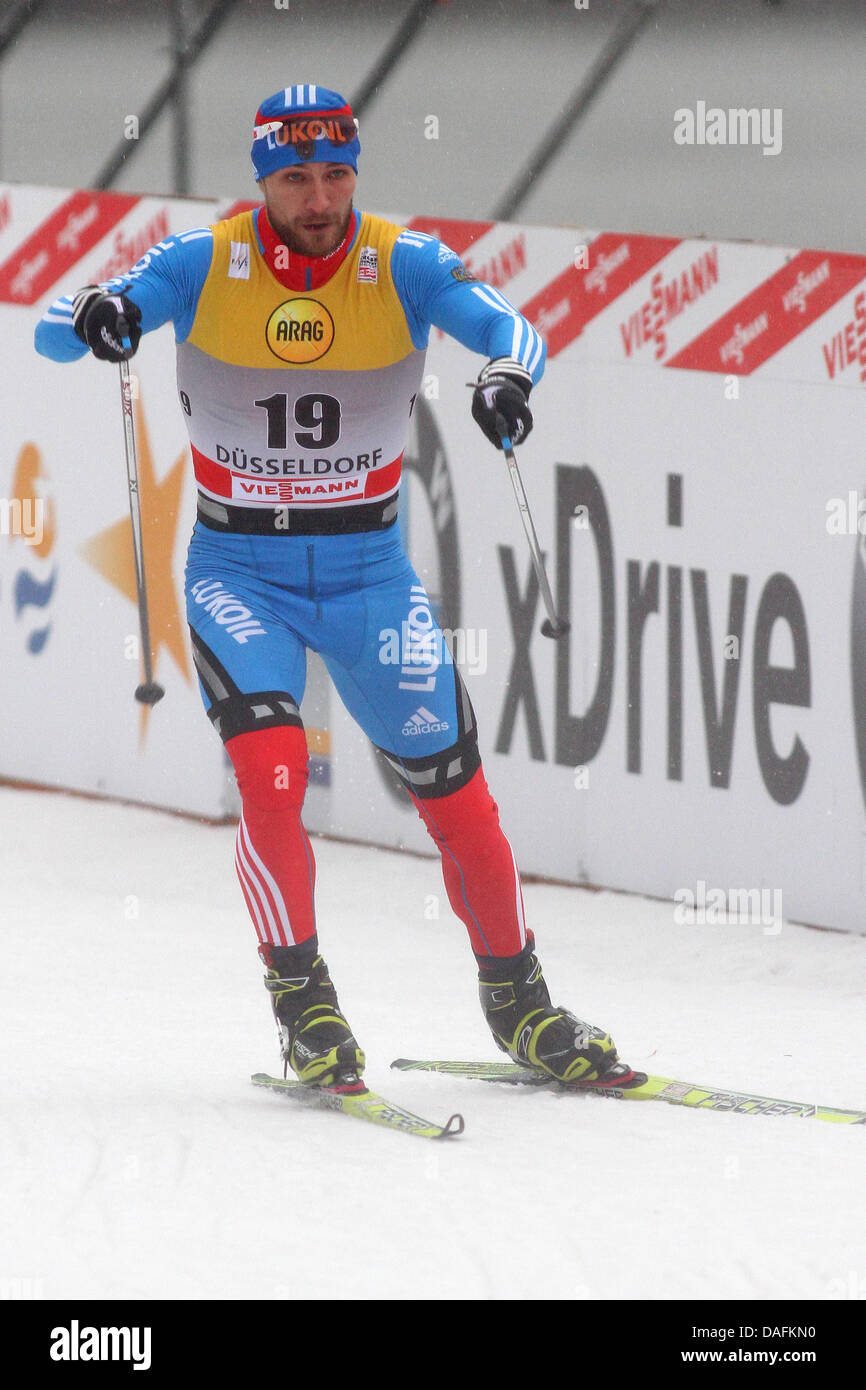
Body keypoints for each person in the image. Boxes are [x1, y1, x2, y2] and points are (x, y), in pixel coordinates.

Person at [35, 85, 630, 1090]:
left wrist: (505, 381)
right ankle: (303, 1004)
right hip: (240, 576)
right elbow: (58, 328)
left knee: (460, 802)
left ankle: (520, 1006)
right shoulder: (203, 260)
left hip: (368, 579)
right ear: (262, 179)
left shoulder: (399, 261)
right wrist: (103, 310)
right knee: (271, 777)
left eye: (337, 173)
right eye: (296, 177)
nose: (319, 197)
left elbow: (512, 331)